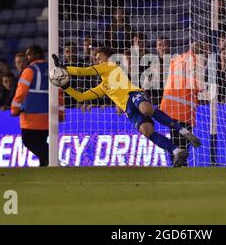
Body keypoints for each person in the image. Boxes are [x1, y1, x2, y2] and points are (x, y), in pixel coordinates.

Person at [51, 47, 201, 167]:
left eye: (99, 57)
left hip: (133, 94)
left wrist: (64, 68)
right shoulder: (103, 87)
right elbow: (81, 97)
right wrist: (65, 87)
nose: (96, 60)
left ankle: (183, 130)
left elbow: (84, 71)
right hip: (128, 110)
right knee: (146, 131)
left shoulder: (110, 66)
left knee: (146, 109)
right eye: (95, 58)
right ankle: (176, 150)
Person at [160, 41, 208, 166]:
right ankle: (180, 162)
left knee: (175, 137)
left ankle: (176, 160)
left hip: (168, 106)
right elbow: (199, 86)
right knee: (183, 141)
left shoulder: (177, 59)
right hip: (184, 108)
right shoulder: (197, 62)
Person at [11, 46, 49, 167]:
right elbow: (59, 93)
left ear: (38, 54)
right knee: (41, 141)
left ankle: (49, 158)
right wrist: (60, 113)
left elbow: (20, 93)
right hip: (49, 116)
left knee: (29, 141)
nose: (27, 57)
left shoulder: (30, 70)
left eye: (29, 54)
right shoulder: (53, 69)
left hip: (31, 115)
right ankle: (45, 162)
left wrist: (14, 109)